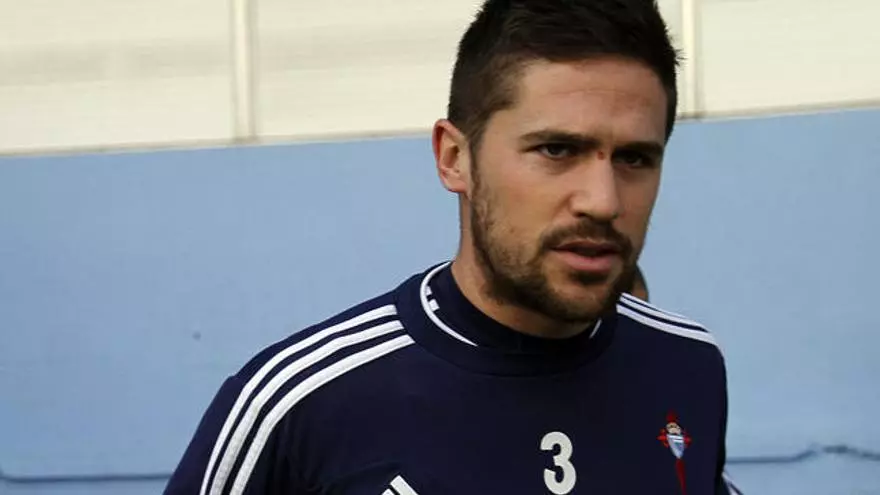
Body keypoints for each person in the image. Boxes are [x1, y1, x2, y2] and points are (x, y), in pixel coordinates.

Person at [165, 1, 734, 493]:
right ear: (454, 158)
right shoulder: (300, 404)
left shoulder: (688, 366)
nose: (603, 201)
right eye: (557, 150)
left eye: (635, 158)